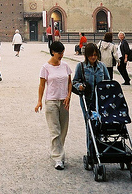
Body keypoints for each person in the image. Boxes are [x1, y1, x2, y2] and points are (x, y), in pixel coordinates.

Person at [35, 41, 72, 170]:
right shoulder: (45, 68)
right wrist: (39, 101)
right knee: (54, 130)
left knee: (63, 130)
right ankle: (58, 158)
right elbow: (42, 85)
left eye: (62, 52)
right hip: (51, 101)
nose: (61, 55)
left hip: (64, 101)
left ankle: (56, 150)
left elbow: (69, 82)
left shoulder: (66, 66)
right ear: (52, 52)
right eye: (59, 53)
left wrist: (68, 97)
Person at [73, 43, 110, 120]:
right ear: (86, 55)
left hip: (101, 99)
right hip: (87, 99)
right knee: (89, 121)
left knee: (102, 120)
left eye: (95, 55)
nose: (93, 57)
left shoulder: (102, 66)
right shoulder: (81, 66)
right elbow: (74, 81)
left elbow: (108, 82)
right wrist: (79, 86)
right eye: (91, 55)